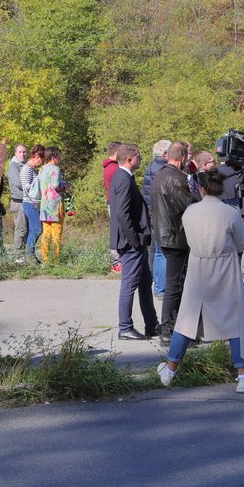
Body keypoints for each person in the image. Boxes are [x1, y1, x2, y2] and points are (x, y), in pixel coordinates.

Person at [156, 169, 244, 393]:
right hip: (225, 268)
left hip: (198, 267)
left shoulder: (190, 212)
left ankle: (170, 370)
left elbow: (188, 238)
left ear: (202, 188)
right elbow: (240, 243)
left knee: (187, 321)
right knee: (235, 321)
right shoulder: (231, 212)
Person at [108, 144, 159, 340]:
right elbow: (122, 214)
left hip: (137, 242)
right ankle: (125, 327)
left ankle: (151, 324)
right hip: (131, 244)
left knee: (145, 282)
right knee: (129, 284)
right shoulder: (122, 179)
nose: (141, 160)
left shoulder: (125, 177)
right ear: (130, 159)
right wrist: (135, 240)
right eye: (138, 157)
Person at [150, 141, 197, 341]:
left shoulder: (160, 174)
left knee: (174, 283)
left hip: (165, 233)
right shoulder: (174, 178)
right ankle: (169, 328)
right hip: (175, 235)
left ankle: (172, 326)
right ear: (183, 157)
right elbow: (189, 204)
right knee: (175, 284)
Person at [143, 139, 171, 298]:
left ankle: (158, 285)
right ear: (165, 153)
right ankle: (161, 287)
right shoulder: (161, 169)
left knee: (157, 251)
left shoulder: (151, 166)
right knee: (161, 252)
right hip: (160, 214)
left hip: (153, 213)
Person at [38, 146, 68, 264]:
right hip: (55, 204)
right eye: (59, 156)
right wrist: (65, 187)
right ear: (54, 157)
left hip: (44, 204)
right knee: (57, 232)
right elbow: (56, 185)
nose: (60, 159)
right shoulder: (55, 168)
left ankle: (45, 259)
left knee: (46, 232)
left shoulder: (43, 169)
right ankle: (57, 260)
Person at [19, 145, 45, 263]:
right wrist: (39, 177)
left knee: (34, 229)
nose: (42, 162)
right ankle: (30, 254)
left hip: (35, 203)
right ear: (37, 157)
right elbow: (27, 188)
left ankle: (31, 254)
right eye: (42, 159)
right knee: (37, 228)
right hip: (30, 203)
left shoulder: (32, 169)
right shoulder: (26, 169)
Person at [102, 141, 123, 274]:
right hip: (115, 202)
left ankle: (117, 262)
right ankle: (117, 262)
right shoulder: (114, 168)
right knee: (117, 232)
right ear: (116, 153)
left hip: (112, 201)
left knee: (117, 231)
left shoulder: (109, 166)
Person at [7, 143, 29, 261]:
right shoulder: (13, 166)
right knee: (21, 228)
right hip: (18, 201)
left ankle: (25, 253)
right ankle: (19, 256)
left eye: (24, 152)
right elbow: (18, 183)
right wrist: (34, 186)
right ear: (15, 153)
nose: (22, 154)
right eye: (20, 152)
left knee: (30, 228)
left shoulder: (27, 165)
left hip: (28, 201)